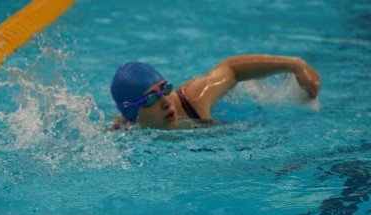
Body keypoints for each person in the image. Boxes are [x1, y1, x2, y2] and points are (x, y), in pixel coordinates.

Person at [110, 54, 321, 130]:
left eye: (164, 89)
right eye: (152, 99)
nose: (166, 102)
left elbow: (231, 69)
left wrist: (294, 64)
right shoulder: (123, 135)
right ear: (132, 114)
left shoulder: (192, 99)